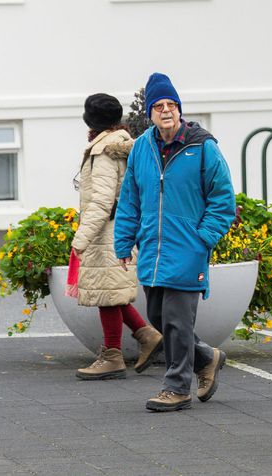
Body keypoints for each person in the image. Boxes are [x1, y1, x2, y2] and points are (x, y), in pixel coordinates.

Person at [114, 73, 236, 412]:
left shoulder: (203, 148)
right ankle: (206, 357)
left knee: (178, 321)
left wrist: (203, 238)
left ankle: (176, 387)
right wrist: (124, 242)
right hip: (153, 249)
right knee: (157, 316)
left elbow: (223, 200)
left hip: (188, 249)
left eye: (171, 105)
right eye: (159, 106)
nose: (166, 110)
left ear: (179, 109)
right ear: (150, 112)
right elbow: (130, 200)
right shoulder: (141, 148)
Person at [72, 93, 163, 380]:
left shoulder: (103, 152)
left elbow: (101, 202)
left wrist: (80, 240)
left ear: (90, 120)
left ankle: (112, 355)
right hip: (119, 227)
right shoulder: (121, 144)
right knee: (110, 290)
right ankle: (146, 335)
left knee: (107, 295)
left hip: (106, 231)